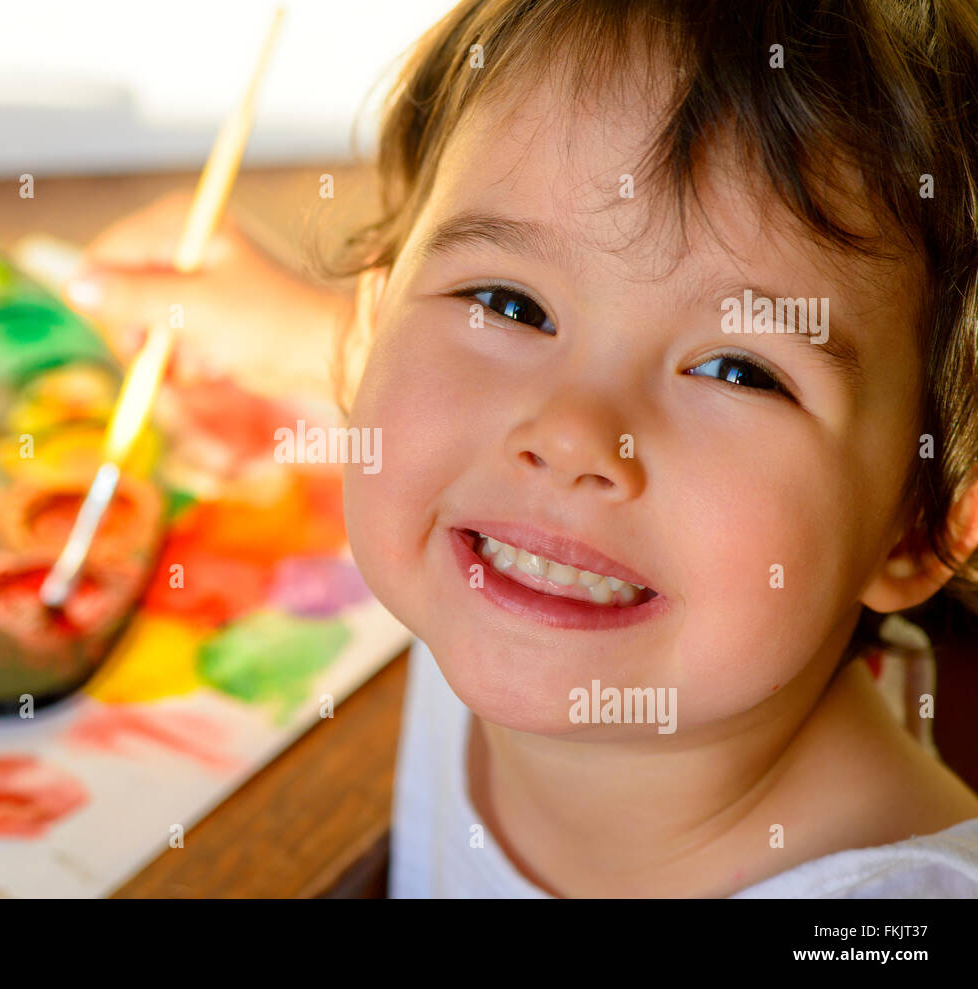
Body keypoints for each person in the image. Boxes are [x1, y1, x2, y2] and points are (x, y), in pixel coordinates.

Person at [66, 0, 978, 897]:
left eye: (738, 371)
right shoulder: (511, 547)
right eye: (509, 303)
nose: (569, 431)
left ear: (921, 527)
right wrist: (289, 329)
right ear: (368, 336)